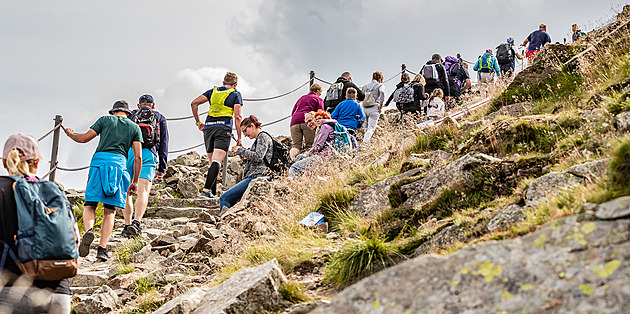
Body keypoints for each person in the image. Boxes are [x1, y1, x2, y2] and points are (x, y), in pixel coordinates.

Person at [0, 134, 71, 313]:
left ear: (4, 163)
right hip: (60, 295)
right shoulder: (54, 192)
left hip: (12, 293)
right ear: (37, 162)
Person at [65, 100, 142, 262]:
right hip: (118, 165)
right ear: (128, 114)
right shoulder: (134, 127)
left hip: (99, 162)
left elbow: (84, 139)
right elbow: (138, 156)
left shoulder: (104, 120)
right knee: (110, 210)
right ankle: (102, 248)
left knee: (90, 204)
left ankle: (88, 231)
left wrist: (71, 134)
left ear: (113, 112)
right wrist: (135, 181)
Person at [121, 94, 169, 238]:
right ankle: (137, 222)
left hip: (130, 152)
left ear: (138, 106)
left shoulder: (131, 116)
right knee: (143, 190)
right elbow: (164, 143)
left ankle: (127, 225)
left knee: (127, 191)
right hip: (148, 153)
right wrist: (162, 168)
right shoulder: (159, 118)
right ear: (153, 105)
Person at [191, 72, 243, 199]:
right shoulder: (236, 94)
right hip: (223, 128)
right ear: (235, 84)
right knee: (217, 160)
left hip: (208, 128)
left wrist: (198, 122)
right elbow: (237, 116)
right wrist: (239, 137)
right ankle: (205, 191)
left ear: (223, 82)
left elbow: (194, 103)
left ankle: (212, 193)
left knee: (212, 162)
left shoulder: (213, 91)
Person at [219, 116, 272, 213]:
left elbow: (258, 156)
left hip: (256, 177)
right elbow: (258, 158)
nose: (244, 135)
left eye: (244, 131)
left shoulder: (263, 136)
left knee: (224, 198)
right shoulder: (259, 139)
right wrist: (244, 157)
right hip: (255, 176)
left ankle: (222, 223)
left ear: (252, 126)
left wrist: (240, 150)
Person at [288, 110, 337, 177]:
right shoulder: (319, 130)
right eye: (306, 123)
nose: (308, 124)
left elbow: (319, 146)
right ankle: (302, 180)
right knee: (299, 157)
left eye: (310, 120)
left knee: (294, 167)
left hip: (324, 157)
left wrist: (308, 154)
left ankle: (291, 184)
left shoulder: (324, 127)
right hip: (321, 155)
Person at [290, 83, 324, 158]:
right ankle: (304, 163)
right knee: (309, 145)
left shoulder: (301, 98)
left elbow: (293, 112)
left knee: (296, 145)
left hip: (294, 122)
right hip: (307, 122)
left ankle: (291, 159)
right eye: (320, 93)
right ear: (318, 91)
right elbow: (320, 114)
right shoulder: (318, 99)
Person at [361, 71, 386, 145]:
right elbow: (382, 92)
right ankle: (365, 143)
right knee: (371, 129)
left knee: (365, 129)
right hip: (374, 108)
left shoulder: (365, 86)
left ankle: (366, 143)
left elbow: (361, 97)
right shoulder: (380, 85)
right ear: (380, 79)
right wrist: (381, 104)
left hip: (364, 108)